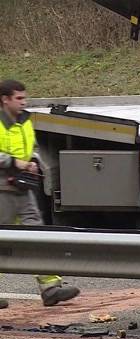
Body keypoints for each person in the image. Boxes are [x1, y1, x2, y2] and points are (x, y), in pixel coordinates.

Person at [0, 79, 80, 309]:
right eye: (19, 98)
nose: (24, 102)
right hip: (2, 190)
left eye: (25, 98)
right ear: (5, 99)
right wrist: (14, 162)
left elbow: (32, 148)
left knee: (36, 235)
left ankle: (50, 288)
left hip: (23, 189)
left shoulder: (24, 121)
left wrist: (33, 161)